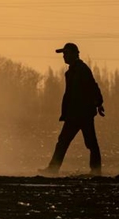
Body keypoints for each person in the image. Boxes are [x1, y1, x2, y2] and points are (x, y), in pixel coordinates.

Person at [40, 42, 105, 176]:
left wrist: (98, 103)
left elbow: (92, 86)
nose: (64, 56)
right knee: (63, 141)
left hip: (84, 114)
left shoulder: (82, 69)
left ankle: (96, 170)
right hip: (74, 114)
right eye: (63, 54)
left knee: (90, 142)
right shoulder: (71, 72)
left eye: (66, 53)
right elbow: (70, 94)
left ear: (75, 54)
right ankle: (53, 168)